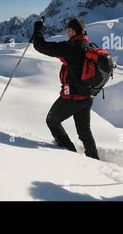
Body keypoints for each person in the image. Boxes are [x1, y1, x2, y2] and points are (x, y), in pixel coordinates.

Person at [33, 17, 99, 160]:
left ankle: (69, 154)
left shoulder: (70, 47)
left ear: (72, 31)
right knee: (84, 132)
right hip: (87, 97)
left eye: (67, 31)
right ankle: (95, 160)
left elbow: (40, 46)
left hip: (72, 98)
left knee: (52, 121)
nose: (67, 33)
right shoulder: (89, 47)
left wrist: (38, 28)